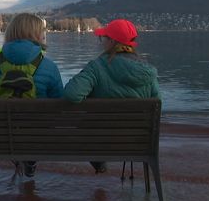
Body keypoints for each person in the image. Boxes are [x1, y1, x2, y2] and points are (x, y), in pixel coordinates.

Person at [63, 18, 160, 174]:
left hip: (101, 141)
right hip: (138, 142)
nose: (101, 42)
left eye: (104, 38)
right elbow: (157, 104)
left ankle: (99, 159)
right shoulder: (147, 72)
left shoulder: (97, 67)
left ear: (112, 42)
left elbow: (72, 94)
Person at [0, 13, 64, 177]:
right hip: (38, 135)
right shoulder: (49, 66)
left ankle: (19, 159)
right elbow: (60, 103)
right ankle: (30, 159)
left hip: (1, 134)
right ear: (37, 34)